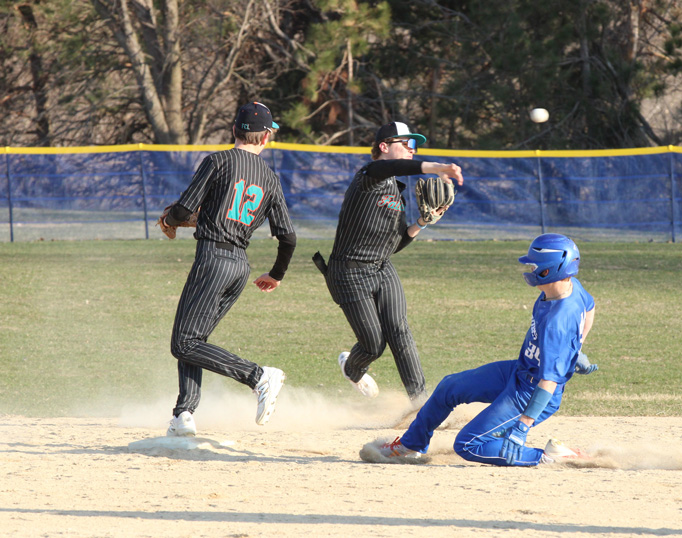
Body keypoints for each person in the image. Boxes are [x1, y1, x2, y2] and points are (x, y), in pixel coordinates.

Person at [374, 233, 595, 466]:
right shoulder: (568, 287)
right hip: (519, 372)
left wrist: (523, 426)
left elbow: (548, 383)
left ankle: (549, 456)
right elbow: (589, 306)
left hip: (531, 394)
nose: (530, 269)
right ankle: (412, 444)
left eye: (535, 265)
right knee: (450, 386)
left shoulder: (558, 322)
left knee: (468, 445)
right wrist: (575, 347)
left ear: (553, 269)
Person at [161, 102, 297, 437]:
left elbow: (183, 210)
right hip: (239, 265)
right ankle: (184, 415)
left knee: (183, 342)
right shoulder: (270, 177)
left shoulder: (218, 161)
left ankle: (258, 376)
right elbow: (289, 238)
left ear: (234, 130)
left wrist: (169, 220)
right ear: (265, 138)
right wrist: (276, 274)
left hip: (212, 259)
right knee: (195, 339)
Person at [323, 121, 463, 407]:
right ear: (384, 146)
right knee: (374, 345)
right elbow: (384, 168)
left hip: (381, 267)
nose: (413, 150)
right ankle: (352, 368)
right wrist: (434, 167)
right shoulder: (369, 177)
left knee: (400, 331)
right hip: (348, 272)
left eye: (416, 146)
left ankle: (420, 405)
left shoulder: (394, 190)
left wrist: (422, 222)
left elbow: (395, 244)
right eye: (407, 144)